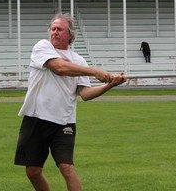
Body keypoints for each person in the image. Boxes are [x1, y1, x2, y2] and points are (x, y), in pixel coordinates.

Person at [14, 13, 127, 191]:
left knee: (67, 168)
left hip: (64, 122)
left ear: (70, 35)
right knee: (33, 171)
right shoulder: (42, 47)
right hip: (35, 118)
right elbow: (59, 68)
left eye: (60, 29)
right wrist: (94, 71)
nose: (55, 32)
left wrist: (110, 84)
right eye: (53, 29)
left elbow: (85, 94)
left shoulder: (78, 60)